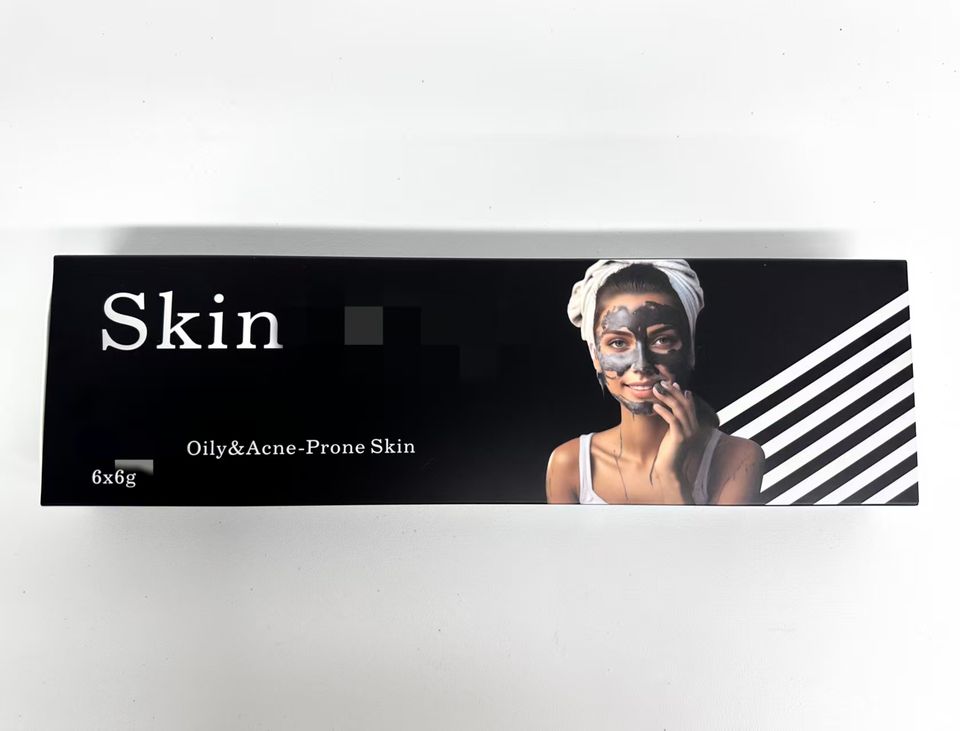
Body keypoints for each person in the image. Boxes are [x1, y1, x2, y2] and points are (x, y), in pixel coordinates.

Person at [546, 259, 764, 505]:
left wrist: (669, 475)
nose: (641, 365)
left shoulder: (739, 457)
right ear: (596, 356)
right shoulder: (570, 464)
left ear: (690, 351)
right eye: (618, 343)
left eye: (662, 340)